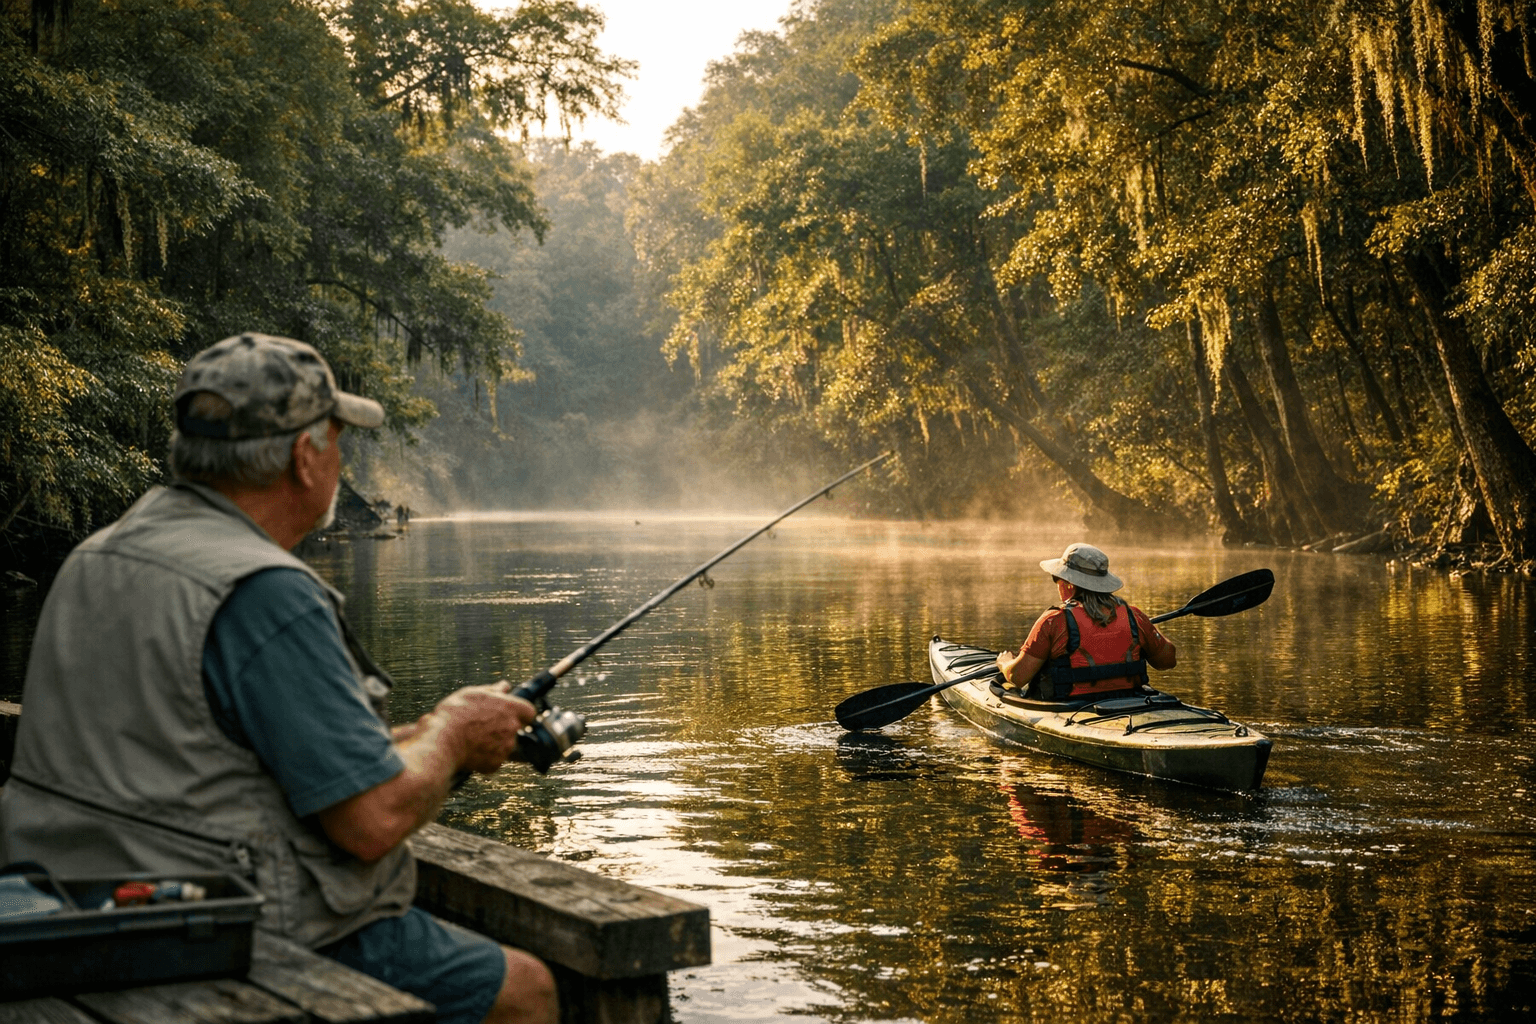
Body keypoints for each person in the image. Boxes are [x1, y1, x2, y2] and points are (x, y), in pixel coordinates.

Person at [1, 333, 556, 1024]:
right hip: (213, 934)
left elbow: (210, 749)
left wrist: (429, 730)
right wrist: (452, 737)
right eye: (336, 437)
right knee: (525, 988)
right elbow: (371, 823)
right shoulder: (266, 590)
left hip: (59, 914)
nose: (341, 456)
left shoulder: (99, 554)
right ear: (304, 457)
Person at [994, 542, 1177, 701]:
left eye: (1056, 578)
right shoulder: (1134, 616)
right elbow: (1167, 661)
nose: (1056, 583)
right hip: (1129, 701)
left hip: (1070, 707)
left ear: (1069, 584)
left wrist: (1004, 663)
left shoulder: (1054, 621)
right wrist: (1147, 629)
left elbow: (1018, 677)